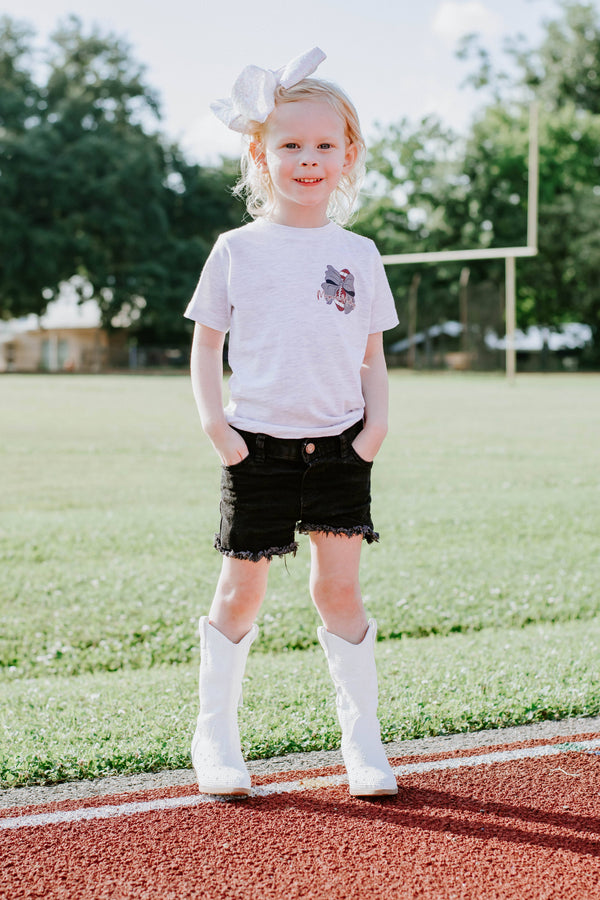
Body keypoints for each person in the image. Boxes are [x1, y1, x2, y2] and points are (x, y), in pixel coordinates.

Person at [185, 47, 399, 798]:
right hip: (259, 451)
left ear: (348, 156)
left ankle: (362, 743)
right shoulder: (237, 250)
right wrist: (221, 430)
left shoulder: (361, 254)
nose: (308, 159)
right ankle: (214, 738)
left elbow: (372, 355)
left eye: (324, 146)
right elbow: (207, 344)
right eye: (290, 144)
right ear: (260, 153)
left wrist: (375, 431)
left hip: (342, 449)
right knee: (240, 592)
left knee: (338, 593)